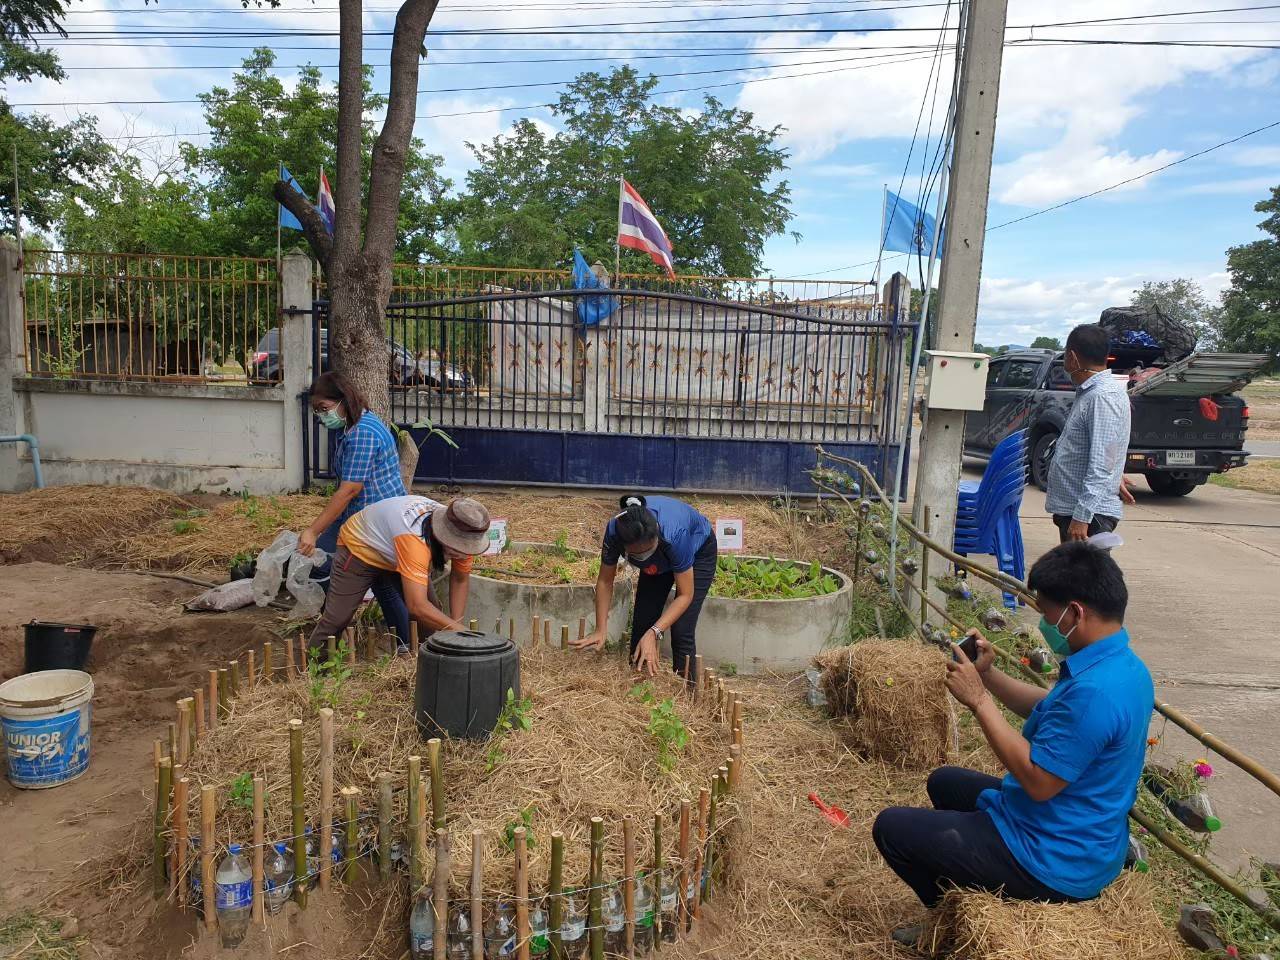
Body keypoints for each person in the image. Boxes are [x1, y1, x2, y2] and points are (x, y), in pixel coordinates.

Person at [872, 541, 1153, 947]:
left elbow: (1039, 782)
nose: (1043, 622)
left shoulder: (1095, 693)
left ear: (1075, 612)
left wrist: (979, 701)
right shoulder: (1122, 666)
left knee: (892, 828)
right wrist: (988, 677)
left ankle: (949, 929)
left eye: (1045, 612)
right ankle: (966, 900)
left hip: (1054, 857)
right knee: (945, 781)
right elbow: (1055, 710)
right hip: (1082, 830)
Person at [299, 372, 413, 650]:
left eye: (324, 409)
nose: (322, 417)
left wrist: (314, 531)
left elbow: (349, 489)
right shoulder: (356, 425)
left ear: (343, 401)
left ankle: (319, 654)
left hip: (376, 525)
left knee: (338, 579)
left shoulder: (363, 433)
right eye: (318, 411)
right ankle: (409, 645)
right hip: (373, 521)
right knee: (386, 583)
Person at [308, 495, 491, 650]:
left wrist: (455, 625)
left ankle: (428, 663)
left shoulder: (466, 532)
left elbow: (459, 579)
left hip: (395, 550)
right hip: (359, 547)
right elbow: (417, 606)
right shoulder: (415, 539)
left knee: (432, 618)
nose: (459, 553)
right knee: (337, 618)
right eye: (455, 547)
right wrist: (459, 630)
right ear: (443, 534)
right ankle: (314, 668)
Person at [570, 494, 716, 681]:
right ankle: (638, 685)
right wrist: (600, 628)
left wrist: (655, 632)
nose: (643, 557)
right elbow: (605, 581)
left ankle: (687, 695)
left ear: (656, 533)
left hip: (699, 551)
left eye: (648, 551)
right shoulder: (615, 531)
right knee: (643, 622)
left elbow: (685, 596)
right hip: (659, 562)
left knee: (681, 629)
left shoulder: (674, 534)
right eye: (637, 555)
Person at [1045, 324, 1133, 542]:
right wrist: (1114, 477)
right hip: (1077, 508)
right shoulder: (1092, 393)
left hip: (1088, 516)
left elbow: (1103, 462)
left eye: (1065, 355)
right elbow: (1105, 451)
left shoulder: (1102, 397)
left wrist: (1082, 517)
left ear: (1072, 357)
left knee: (1084, 576)